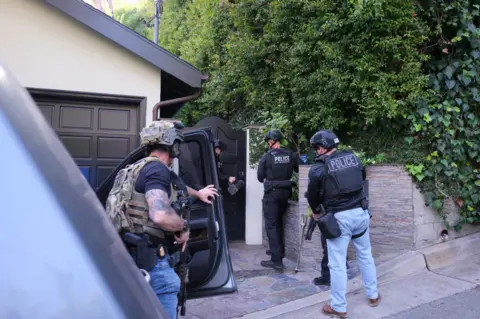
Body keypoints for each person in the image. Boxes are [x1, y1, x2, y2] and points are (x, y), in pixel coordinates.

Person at [106, 120, 218, 319]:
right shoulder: (158, 170)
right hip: (155, 263)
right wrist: (183, 227)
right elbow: (160, 215)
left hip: (131, 257)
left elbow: (176, 187)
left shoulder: (136, 169)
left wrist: (198, 193)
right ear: (173, 146)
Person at [307, 129, 380, 318]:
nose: (316, 152)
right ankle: (373, 295)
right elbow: (362, 179)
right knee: (365, 255)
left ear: (322, 147)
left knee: (337, 264)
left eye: (316, 148)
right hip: (361, 213)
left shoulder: (318, 168)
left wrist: (315, 213)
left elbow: (313, 196)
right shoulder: (353, 158)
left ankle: (339, 306)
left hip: (339, 219)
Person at [257, 129, 299, 270]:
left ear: (270, 142)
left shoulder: (267, 157)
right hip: (286, 193)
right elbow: (299, 169)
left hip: (272, 194)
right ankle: (278, 251)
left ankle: (276, 260)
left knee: (271, 225)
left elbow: (259, 177)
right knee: (279, 222)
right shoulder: (291, 154)